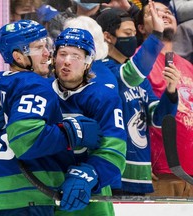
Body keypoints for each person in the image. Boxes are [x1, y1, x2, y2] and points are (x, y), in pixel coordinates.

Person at [0, 20, 101, 215]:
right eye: (39, 48)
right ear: (18, 57)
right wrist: (71, 134)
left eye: (46, 45)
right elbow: (25, 140)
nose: (48, 53)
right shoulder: (34, 85)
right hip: (26, 196)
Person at [96, 3, 180, 195]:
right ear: (107, 37)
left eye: (134, 33)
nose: (133, 38)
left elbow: (157, 119)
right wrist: (157, 35)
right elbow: (131, 74)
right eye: (127, 33)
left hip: (140, 175)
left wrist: (171, 91)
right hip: (114, 174)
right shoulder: (102, 71)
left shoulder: (140, 81)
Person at [52, 27, 127, 215]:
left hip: (90, 199)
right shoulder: (40, 92)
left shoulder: (103, 96)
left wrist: (89, 175)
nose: (67, 61)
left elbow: (115, 148)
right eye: (62, 54)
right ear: (53, 58)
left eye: (76, 56)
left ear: (88, 63)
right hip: (46, 193)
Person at [136, 1, 193, 197]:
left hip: (190, 172)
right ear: (141, 28)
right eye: (155, 13)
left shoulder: (187, 65)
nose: (165, 15)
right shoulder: (139, 63)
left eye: (168, 12)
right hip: (161, 173)